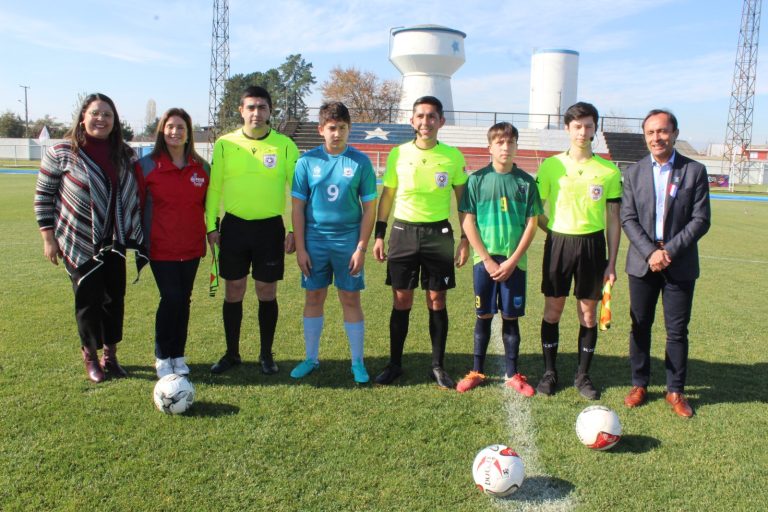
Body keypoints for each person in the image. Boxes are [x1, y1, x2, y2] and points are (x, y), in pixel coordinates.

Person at [34, 93, 146, 383]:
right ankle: (91, 357)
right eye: (95, 113)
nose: (101, 119)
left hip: (115, 242)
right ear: (83, 118)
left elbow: (136, 192)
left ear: (115, 121)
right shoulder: (62, 151)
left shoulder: (125, 153)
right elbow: (44, 197)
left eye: (107, 114)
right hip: (79, 240)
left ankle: (111, 355)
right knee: (88, 301)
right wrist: (48, 238)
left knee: (114, 300)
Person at [372, 95, 469, 389]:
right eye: (420, 116)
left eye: (431, 116)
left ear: (441, 121)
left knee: (437, 299)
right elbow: (387, 196)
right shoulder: (398, 154)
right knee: (401, 299)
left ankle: (437, 366)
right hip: (403, 232)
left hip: (438, 235)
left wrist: (465, 239)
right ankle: (394, 364)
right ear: (412, 120)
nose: (425, 121)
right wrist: (379, 234)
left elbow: (463, 201)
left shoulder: (453, 156)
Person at [621, 109, 711, 418]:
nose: (656, 137)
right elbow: (628, 218)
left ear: (674, 133)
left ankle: (675, 390)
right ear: (645, 136)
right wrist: (650, 252)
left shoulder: (694, 171)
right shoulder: (633, 173)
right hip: (642, 261)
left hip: (679, 262)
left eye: (662, 131)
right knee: (639, 326)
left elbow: (701, 219)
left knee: (677, 330)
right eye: (650, 132)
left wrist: (668, 250)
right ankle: (639, 384)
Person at [205, 86, 299, 375]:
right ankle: (232, 353)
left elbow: (297, 191)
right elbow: (215, 187)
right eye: (251, 107)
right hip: (234, 227)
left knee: (266, 291)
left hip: (270, 229)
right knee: (233, 289)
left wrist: (293, 229)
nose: (256, 112)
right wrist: (211, 226)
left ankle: (266, 354)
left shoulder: (285, 145)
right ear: (241, 111)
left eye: (262, 107)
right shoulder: (224, 144)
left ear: (270, 111)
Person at [534, 101, 621, 400]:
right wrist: (554, 232)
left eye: (588, 126)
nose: (583, 132)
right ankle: (550, 372)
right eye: (577, 126)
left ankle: (583, 376)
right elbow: (536, 209)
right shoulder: (551, 166)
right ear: (567, 128)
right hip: (559, 243)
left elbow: (613, 219)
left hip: (592, 246)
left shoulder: (609, 171)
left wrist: (612, 261)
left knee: (588, 315)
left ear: (595, 128)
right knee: (553, 310)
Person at [290, 102, 377, 383]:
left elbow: (370, 209)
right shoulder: (306, 162)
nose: (337, 133)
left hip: (348, 241)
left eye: (342, 128)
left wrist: (361, 248)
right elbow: (297, 208)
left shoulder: (360, 162)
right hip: (314, 241)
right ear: (321, 130)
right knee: (314, 297)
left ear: (349, 129)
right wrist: (301, 248)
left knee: (350, 298)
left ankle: (357, 362)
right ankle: (310, 358)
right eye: (331, 128)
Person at [456, 122, 543, 395]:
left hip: (514, 262)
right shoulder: (477, 180)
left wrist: (513, 260)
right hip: (484, 261)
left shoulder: (526, 182)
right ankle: (477, 371)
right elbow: (468, 221)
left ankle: (512, 374)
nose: (506, 147)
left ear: (516, 146)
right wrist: (486, 258)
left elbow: (532, 223)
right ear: (490, 147)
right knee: (483, 315)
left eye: (510, 142)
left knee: (510, 317)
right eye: (500, 143)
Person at [135, 108, 209, 378]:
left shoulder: (202, 167)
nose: (175, 132)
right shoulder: (146, 166)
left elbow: (207, 206)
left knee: (184, 300)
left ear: (189, 133)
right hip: (160, 247)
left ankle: (178, 354)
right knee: (171, 298)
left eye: (181, 127)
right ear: (162, 131)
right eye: (170, 127)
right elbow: (137, 206)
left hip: (191, 247)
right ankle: (162, 355)